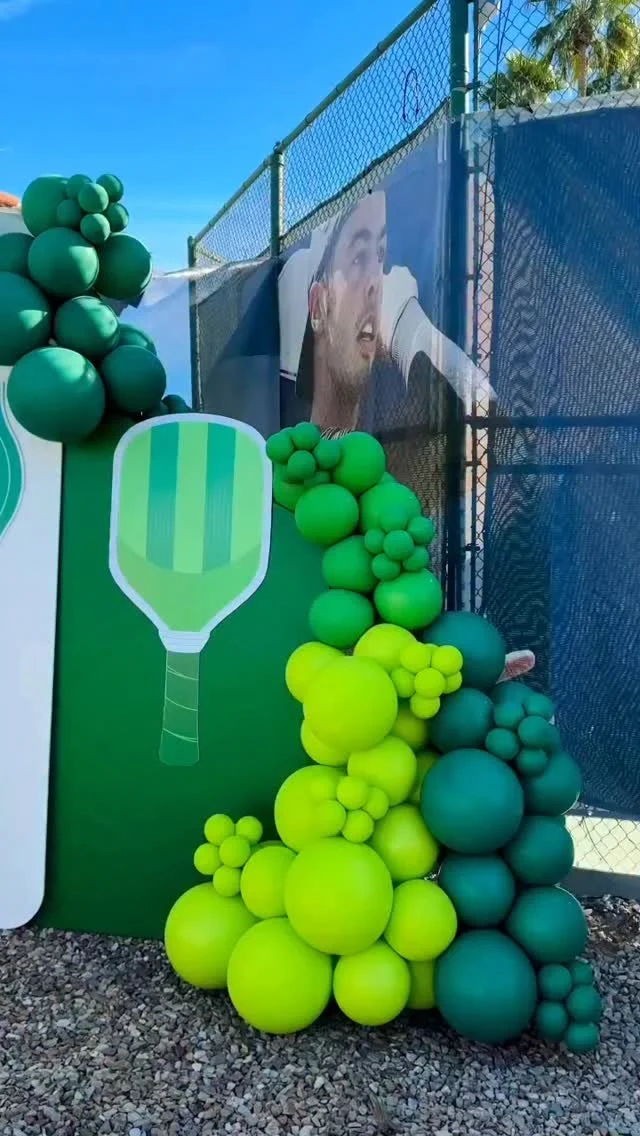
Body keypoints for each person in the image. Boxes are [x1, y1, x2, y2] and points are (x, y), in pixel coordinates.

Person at [279, 189, 492, 436]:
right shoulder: (299, 447)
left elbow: (486, 409)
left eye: (380, 256)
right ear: (318, 307)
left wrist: (407, 325)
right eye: (358, 258)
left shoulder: (399, 440)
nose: (376, 281)